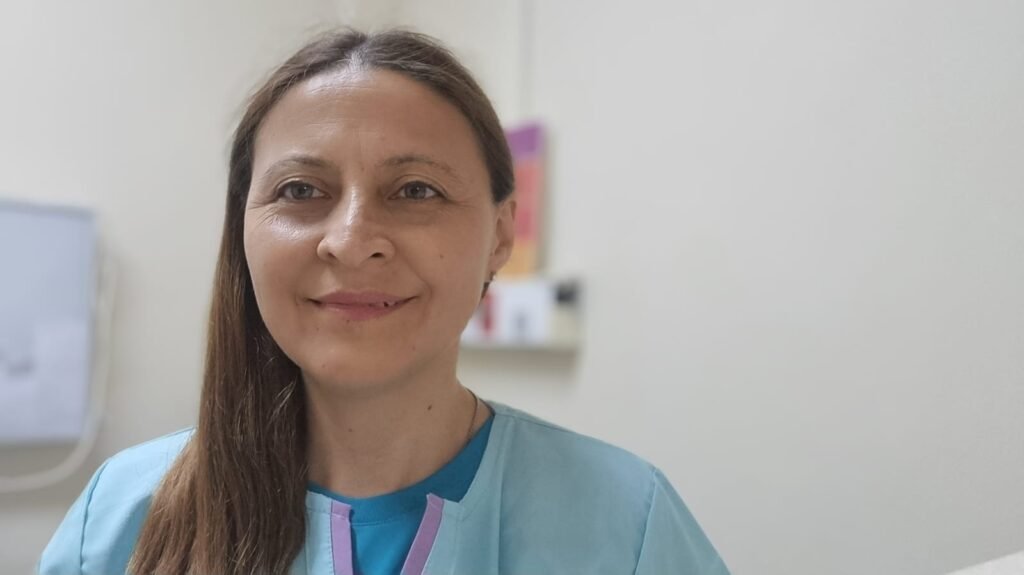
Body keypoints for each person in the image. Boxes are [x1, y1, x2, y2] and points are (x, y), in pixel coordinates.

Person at [38, 29, 729, 575]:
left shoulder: (626, 524)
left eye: (416, 190)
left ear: (499, 235)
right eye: (301, 190)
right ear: (241, 230)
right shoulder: (119, 517)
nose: (350, 241)